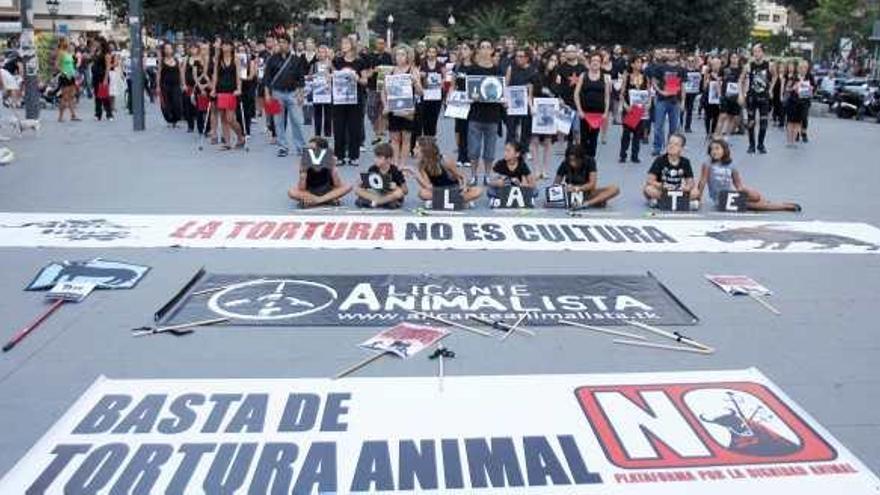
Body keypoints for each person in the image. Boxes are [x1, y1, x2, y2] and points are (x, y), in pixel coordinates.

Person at [695, 139, 801, 212]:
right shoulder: (707, 164)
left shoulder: (731, 165)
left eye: (717, 148)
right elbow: (703, 181)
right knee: (756, 206)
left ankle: (765, 202)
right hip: (721, 198)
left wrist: (742, 192)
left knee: (756, 197)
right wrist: (698, 199)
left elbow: (738, 185)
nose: (714, 151)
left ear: (724, 150)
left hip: (732, 193)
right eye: (712, 149)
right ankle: (784, 206)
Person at [463, 40, 504, 186]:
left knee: (490, 148)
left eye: (488, 47)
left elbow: (502, 91)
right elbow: (467, 92)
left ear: (492, 50)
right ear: (478, 51)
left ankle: (487, 175)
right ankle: (474, 175)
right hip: (475, 114)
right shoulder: (472, 70)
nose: (485, 50)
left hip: (493, 115)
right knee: (473, 149)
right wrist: (470, 97)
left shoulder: (498, 70)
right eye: (483, 47)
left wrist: (503, 100)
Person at [263, 34, 306, 157]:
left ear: (289, 44)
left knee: (297, 121)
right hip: (276, 93)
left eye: (283, 42)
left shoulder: (296, 60)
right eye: (279, 42)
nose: (281, 44)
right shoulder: (272, 59)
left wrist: (301, 95)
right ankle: (282, 146)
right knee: (278, 121)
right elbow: (267, 78)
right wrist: (267, 94)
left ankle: (301, 147)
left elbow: (301, 79)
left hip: (293, 93)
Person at [412, 136, 483, 204]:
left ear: (425, 150)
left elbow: (462, 176)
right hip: (438, 191)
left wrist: (464, 187)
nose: (413, 150)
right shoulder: (422, 165)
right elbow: (428, 186)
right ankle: (457, 201)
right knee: (422, 193)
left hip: (453, 189)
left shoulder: (444, 160)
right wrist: (416, 175)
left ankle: (443, 201)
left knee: (478, 190)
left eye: (417, 147)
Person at [332, 36, 369, 167]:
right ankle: (339, 155)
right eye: (342, 43)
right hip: (339, 99)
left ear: (352, 45)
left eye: (346, 43)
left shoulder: (360, 62)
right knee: (338, 128)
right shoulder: (336, 61)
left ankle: (354, 156)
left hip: (355, 99)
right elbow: (329, 76)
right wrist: (332, 76)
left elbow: (365, 81)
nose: (343, 45)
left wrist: (357, 77)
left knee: (355, 127)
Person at [383, 46, 421, 167]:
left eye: (403, 55)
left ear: (408, 56)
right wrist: (385, 105)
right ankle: (394, 163)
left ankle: (402, 164)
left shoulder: (413, 70)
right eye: (397, 55)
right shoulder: (390, 71)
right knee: (394, 138)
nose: (399, 57)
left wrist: (415, 82)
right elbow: (383, 91)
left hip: (408, 109)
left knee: (406, 138)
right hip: (393, 109)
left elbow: (421, 92)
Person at [287, 137, 352, 207]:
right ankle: (328, 199)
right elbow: (302, 188)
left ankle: (317, 200)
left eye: (313, 149)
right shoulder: (304, 161)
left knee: (348, 186)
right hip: (310, 191)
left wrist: (334, 169)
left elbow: (337, 185)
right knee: (291, 192)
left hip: (328, 190)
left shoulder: (330, 159)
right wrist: (303, 174)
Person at [553, 144, 620, 208]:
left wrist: (577, 188)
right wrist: (564, 188)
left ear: (581, 158)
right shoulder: (564, 164)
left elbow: (592, 184)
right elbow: (556, 184)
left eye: (575, 160)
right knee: (602, 201)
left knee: (615, 189)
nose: (572, 163)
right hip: (571, 194)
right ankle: (595, 201)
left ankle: (587, 204)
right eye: (570, 160)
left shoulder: (590, 161)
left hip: (587, 192)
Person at [643, 133, 697, 208]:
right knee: (648, 189)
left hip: (678, 190)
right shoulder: (660, 160)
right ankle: (680, 202)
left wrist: (686, 187)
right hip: (663, 190)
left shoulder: (685, 162)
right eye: (669, 143)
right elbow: (650, 180)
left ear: (681, 148)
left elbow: (690, 182)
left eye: (676, 144)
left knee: (696, 192)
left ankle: (661, 202)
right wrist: (661, 185)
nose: (671, 146)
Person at [574, 52, 610, 158]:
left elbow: (607, 97)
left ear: (601, 63)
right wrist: (579, 110)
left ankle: (591, 162)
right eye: (593, 60)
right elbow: (576, 94)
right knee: (584, 138)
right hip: (585, 113)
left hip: (598, 113)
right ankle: (583, 160)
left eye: (598, 61)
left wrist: (606, 113)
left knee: (594, 138)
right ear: (590, 62)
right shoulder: (583, 75)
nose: (595, 63)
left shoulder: (605, 78)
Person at [212, 39, 246, 150]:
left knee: (230, 118)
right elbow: (215, 75)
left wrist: (239, 88)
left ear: (231, 47)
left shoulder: (236, 59)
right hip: (220, 90)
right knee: (223, 117)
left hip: (231, 90)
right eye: (224, 45)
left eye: (227, 45)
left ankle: (240, 137)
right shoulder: (218, 59)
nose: (225, 47)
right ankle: (227, 142)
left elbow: (238, 76)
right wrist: (213, 89)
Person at [529, 53, 559, 178]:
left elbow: (557, 95)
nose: (554, 62)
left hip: (550, 110)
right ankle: (536, 169)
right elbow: (529, 94)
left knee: (548, 141)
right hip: (536, 110)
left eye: (555, 60)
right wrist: (531, 107)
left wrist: (558, 106)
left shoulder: (556, 77)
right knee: (534, 140)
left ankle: (545, 169)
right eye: (552, 59)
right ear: (545, 60)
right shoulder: (535, 75)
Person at [741, 43, 774, 154]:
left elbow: (775, 76)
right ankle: (751, 145)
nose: (756, 54)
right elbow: (740, 80)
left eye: (758, 51)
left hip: (764, 97)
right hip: (752, 97)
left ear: (762, 52)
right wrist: (742, 94)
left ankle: (761, 144)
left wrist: (770, 89)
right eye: (754, 51)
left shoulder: (769, 65)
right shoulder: (749, 65)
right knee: (751, 122)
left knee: (764, 122)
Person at [651, 50, 684, 156]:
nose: (671, 54)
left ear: (676, 54)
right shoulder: (660, 67)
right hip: (662, 100)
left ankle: (671, 148)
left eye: (673, 52)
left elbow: (683, 86)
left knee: (674, 127)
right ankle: (657, 147)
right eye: (668, 52)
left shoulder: (680, 69)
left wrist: (683, 101)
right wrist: (661, 92)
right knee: (658, 126)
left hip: (675, 101)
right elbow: (654, 81)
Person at [355, 142, 408, 208]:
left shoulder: (395, 171)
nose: (376, 160)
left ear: (388, 159)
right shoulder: (373, 168)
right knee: (357, 190)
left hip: (389, 194)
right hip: (376, 193)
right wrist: (361, 182)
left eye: (379, 158)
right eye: (375, 157)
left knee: (399, 193)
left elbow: (405, 191)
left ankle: (377, 202)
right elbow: (366, 186)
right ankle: (381, 202)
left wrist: (395, 187)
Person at [553, 44, 586, 143]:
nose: (570, 53)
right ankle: (564, 147)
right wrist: (559, 98)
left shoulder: (583, 68)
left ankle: (578, 148)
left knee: (577, 129)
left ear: (576, 53)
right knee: (564, 128)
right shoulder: (560, 68)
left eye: (572, 51)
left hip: (580, 102)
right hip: (565, 101)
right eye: (568, 51)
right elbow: (557, 85)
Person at [619, 55, 650, 163]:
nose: (639, 64)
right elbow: (622, 94)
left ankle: (635, 155)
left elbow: (648, 93)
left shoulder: (645, 77)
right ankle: (623, 155)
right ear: (632, 64)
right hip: (629, 109)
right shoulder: (627, 76)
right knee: (626, 133)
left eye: (641, 62)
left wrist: (648, 104)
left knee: (638, 134)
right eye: (637, 62)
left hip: (640, 110)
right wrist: (625, 106)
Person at [505, 48, 534, 154]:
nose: (518, 58)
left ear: (527, 58)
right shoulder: (511, 67)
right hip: (513, 102)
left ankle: (524, 150)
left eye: (521, 56)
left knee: (526, 128)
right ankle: (510, 149)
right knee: (511, 128)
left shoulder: (532, 70)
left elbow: (534, 87)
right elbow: (506, 85)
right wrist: (505, 99)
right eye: (517, 56)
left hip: (526, 102)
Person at [366, 38, 392, 145]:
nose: (380, 45)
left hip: (386, 86)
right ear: (375, 44)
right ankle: (376, 128)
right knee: (371, 109)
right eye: (378, 43)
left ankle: (380, 133)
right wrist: (373, 70)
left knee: (384, 110)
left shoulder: (388, 56)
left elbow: (393, 68)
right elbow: (366, 71)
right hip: (373, 86)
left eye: (382, 43)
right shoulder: (370, 56)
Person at [452, 43, 474, 168]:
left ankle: (469, 156)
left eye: (466, 49)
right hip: (459, 101)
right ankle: (461, 155)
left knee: (469, 129)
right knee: (459, 128)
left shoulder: (475, 67)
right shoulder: (457, 66)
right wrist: (450, 97)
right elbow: (453, 84)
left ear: (471, 51)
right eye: (461, 48)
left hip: (470, 101)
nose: (463, 51)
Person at [784, 60, 813, 147]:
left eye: (805, 68)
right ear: (798, 68)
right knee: (790, 122)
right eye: (801, 67)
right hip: (793, 102)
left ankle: (794, 140)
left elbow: (813, 89)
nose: (803, 69)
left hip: (803, 102)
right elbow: (787, 88)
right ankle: (789, 141)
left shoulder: (809, 77)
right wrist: (794, 87)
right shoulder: (793, 77)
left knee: (798, 122)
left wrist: (810, 89)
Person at [419, 45, 444, 137]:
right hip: (424, 94)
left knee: (434, 117)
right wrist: (421, 75)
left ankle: (432, 137)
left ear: (436, 54)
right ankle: (425, 136)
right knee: (424, 117)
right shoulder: (422, 64)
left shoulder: (440, 65)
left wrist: (442, 82)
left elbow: (445, 78)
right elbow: (416, 75)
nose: (431, 54)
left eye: (434, 52)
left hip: (437, 95)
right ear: (427, 53)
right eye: (430, 52)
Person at [157, 42, 184, 127]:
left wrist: (183, 84)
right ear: (164, 50)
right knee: (167, 103)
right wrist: (157, 86)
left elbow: (181, 72)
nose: (168, 50)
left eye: (170, 48)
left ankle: (176, 119)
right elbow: (158, 74)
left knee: (177, 102)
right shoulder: (161, 61)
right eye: (166, 48)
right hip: (165, 85)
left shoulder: (177, 60)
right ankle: (170, 120)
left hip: (176, 85)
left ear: (172, 49)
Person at [718, 52, 743, 137]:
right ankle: (717, 135)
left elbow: (745, 81)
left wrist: (743, 94)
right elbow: (718, 81)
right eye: (732, 57)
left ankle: (727, 137)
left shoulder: (741, 69)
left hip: (736, 96)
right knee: (723, 115)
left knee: (733, 117)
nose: (734, 59)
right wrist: (719, 93)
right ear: (729, 58)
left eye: (736, 57)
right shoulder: (724, 68)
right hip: (725, 95)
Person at [55, 38, 80, 122]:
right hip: (65, 76)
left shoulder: (69, 53)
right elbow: (57, 65)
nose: (68, 43)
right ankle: (60, 116)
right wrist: (65, 72)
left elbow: (72, 65)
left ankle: (73, 115)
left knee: (71, 96)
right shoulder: (61, 53)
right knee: (65, 97)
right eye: (66, 41)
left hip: (71, 76)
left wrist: (74, 73)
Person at [311, 45, 334, 138]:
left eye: (323, 52)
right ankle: (317, 134)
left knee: (328, 113)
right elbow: (310, 75)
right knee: (317, 113)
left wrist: (330, 76)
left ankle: (328, 134)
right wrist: (312, 77)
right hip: (317, 92)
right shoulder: (314, 65)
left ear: (327, 53)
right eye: (319, 52)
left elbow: (336, 74)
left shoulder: (331, 64)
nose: (321, 54)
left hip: (328, 91)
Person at [702, 56, 723, 138]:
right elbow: (704, 86)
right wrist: (707, 83)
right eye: (714, 64)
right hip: (708, 97)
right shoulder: (708, 73)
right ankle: (708, 132)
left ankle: (713, 132)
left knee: (716, 116)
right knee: (707, 115)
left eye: (718, 64)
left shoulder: (722, 74)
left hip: (717, 99)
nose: (716, 66)